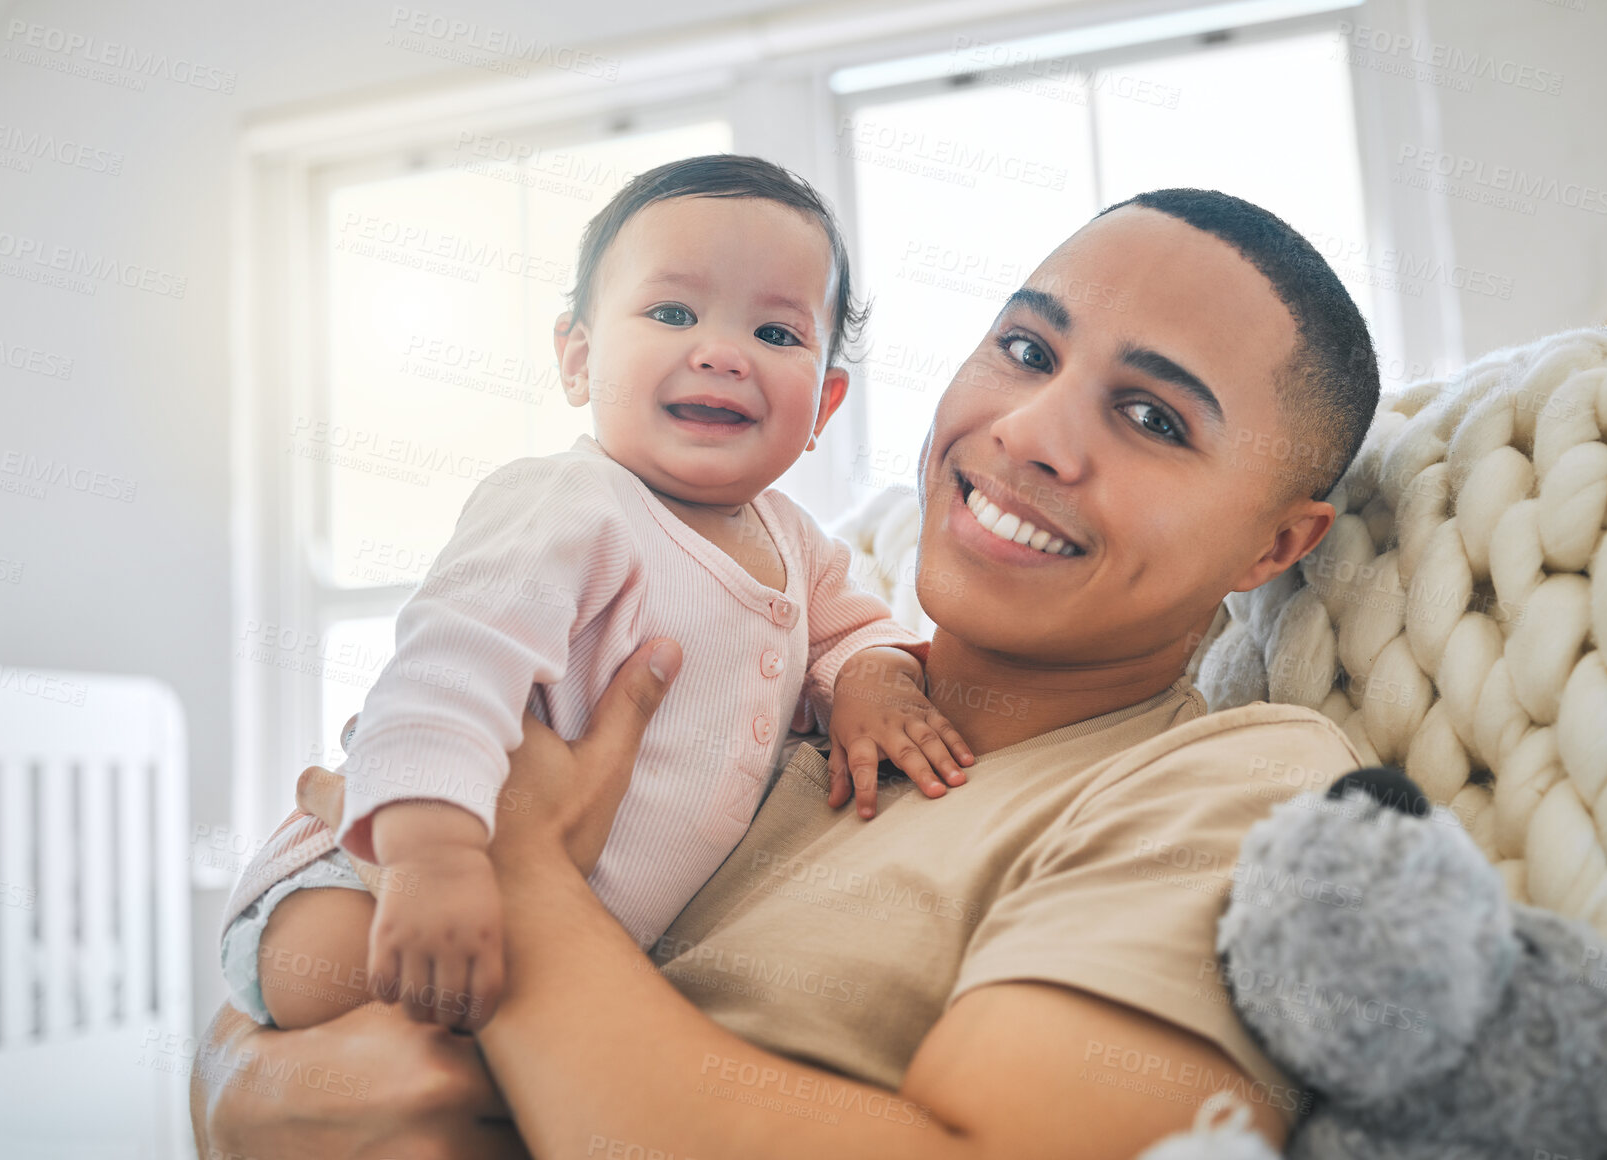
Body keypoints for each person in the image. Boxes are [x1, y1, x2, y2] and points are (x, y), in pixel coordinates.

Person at [192, 185, 1382, 1158]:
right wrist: (235, 1082)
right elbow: (304, 1014)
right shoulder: (754, 676)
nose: (1028, 432)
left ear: (1276, 544)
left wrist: (518, 880)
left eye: (1152, 417)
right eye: (1024, 349)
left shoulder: (1237, 783)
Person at [219, 154, 978, 1033]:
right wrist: (432, 853)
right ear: (577, 360)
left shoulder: (798, 542)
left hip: (580, 931)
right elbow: (441, 678)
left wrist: (873, 677)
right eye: (671, 312)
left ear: (824, 405)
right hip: (375, 870)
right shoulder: (568, 504)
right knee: (341, 988)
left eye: (776, 334)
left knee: (513, 1060)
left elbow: (854, 635)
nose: (723, 353)